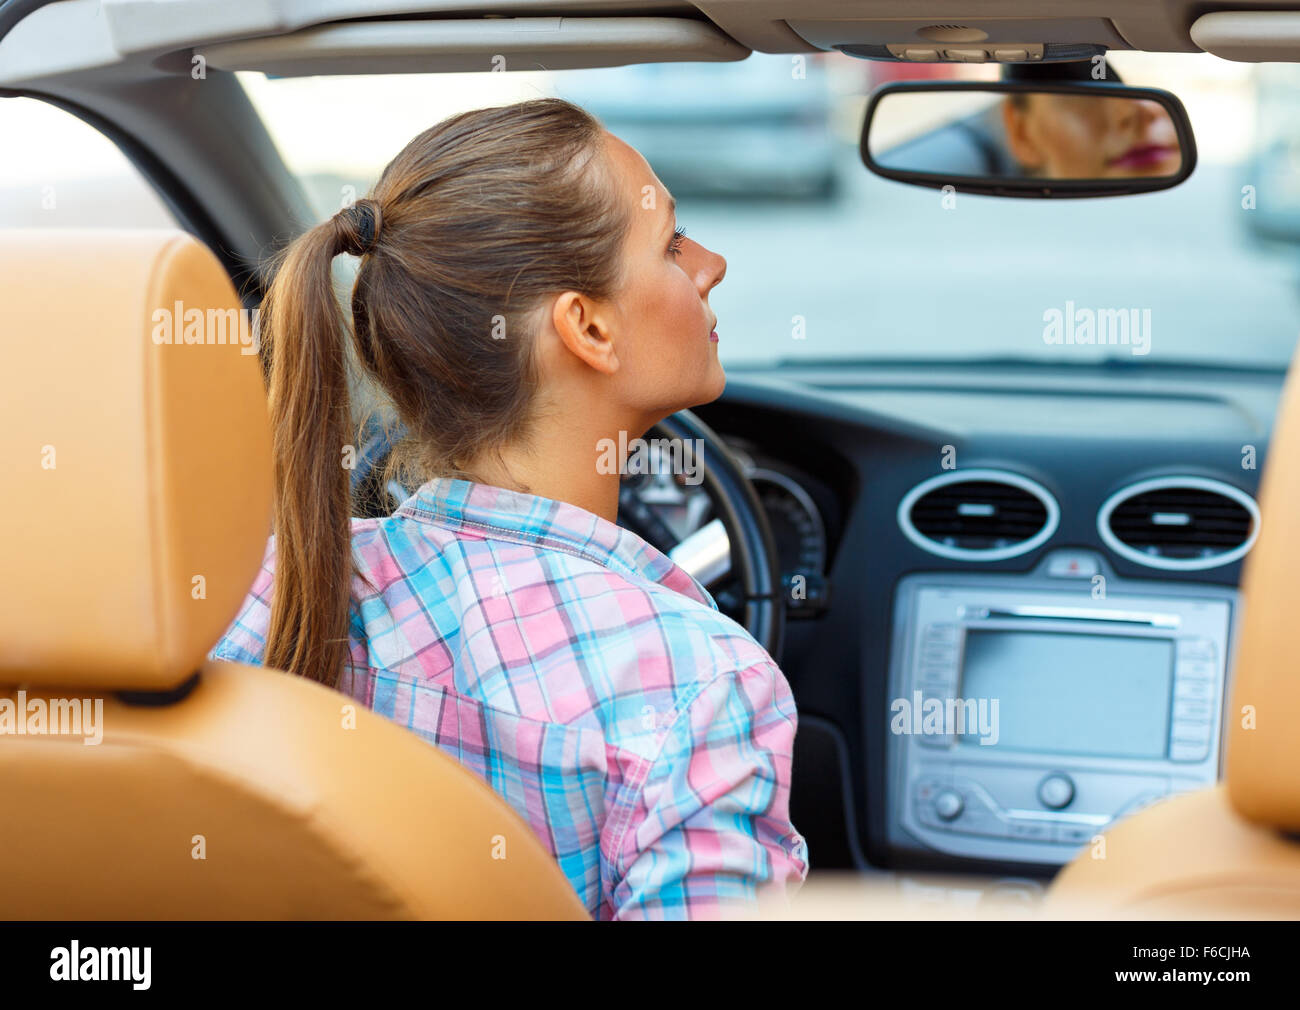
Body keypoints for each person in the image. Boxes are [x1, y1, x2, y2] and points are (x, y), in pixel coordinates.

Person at [210, 97, 809, 920]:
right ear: (588, 328)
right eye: (671, 243)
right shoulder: (700, 686)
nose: (710, 263)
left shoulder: (264, 592)